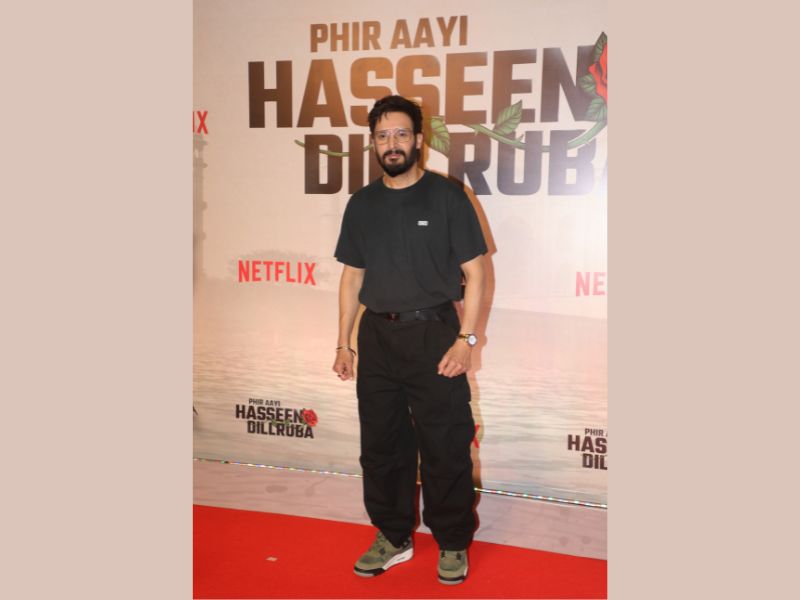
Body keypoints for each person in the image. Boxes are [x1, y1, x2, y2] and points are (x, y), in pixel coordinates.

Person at [332, 95, 487, 585]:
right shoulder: (362, 204)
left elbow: (477, 273)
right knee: (381, 446)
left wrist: (466, 340)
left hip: (434, 335)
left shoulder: (447, 197)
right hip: (377, 338)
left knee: (446, 444)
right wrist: (343, 343)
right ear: (373, 143)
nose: (392, 143)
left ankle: (453, 540)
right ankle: (393, 536)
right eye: (383, 136)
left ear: (419, 139)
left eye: (401, 133)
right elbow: (352, 277)